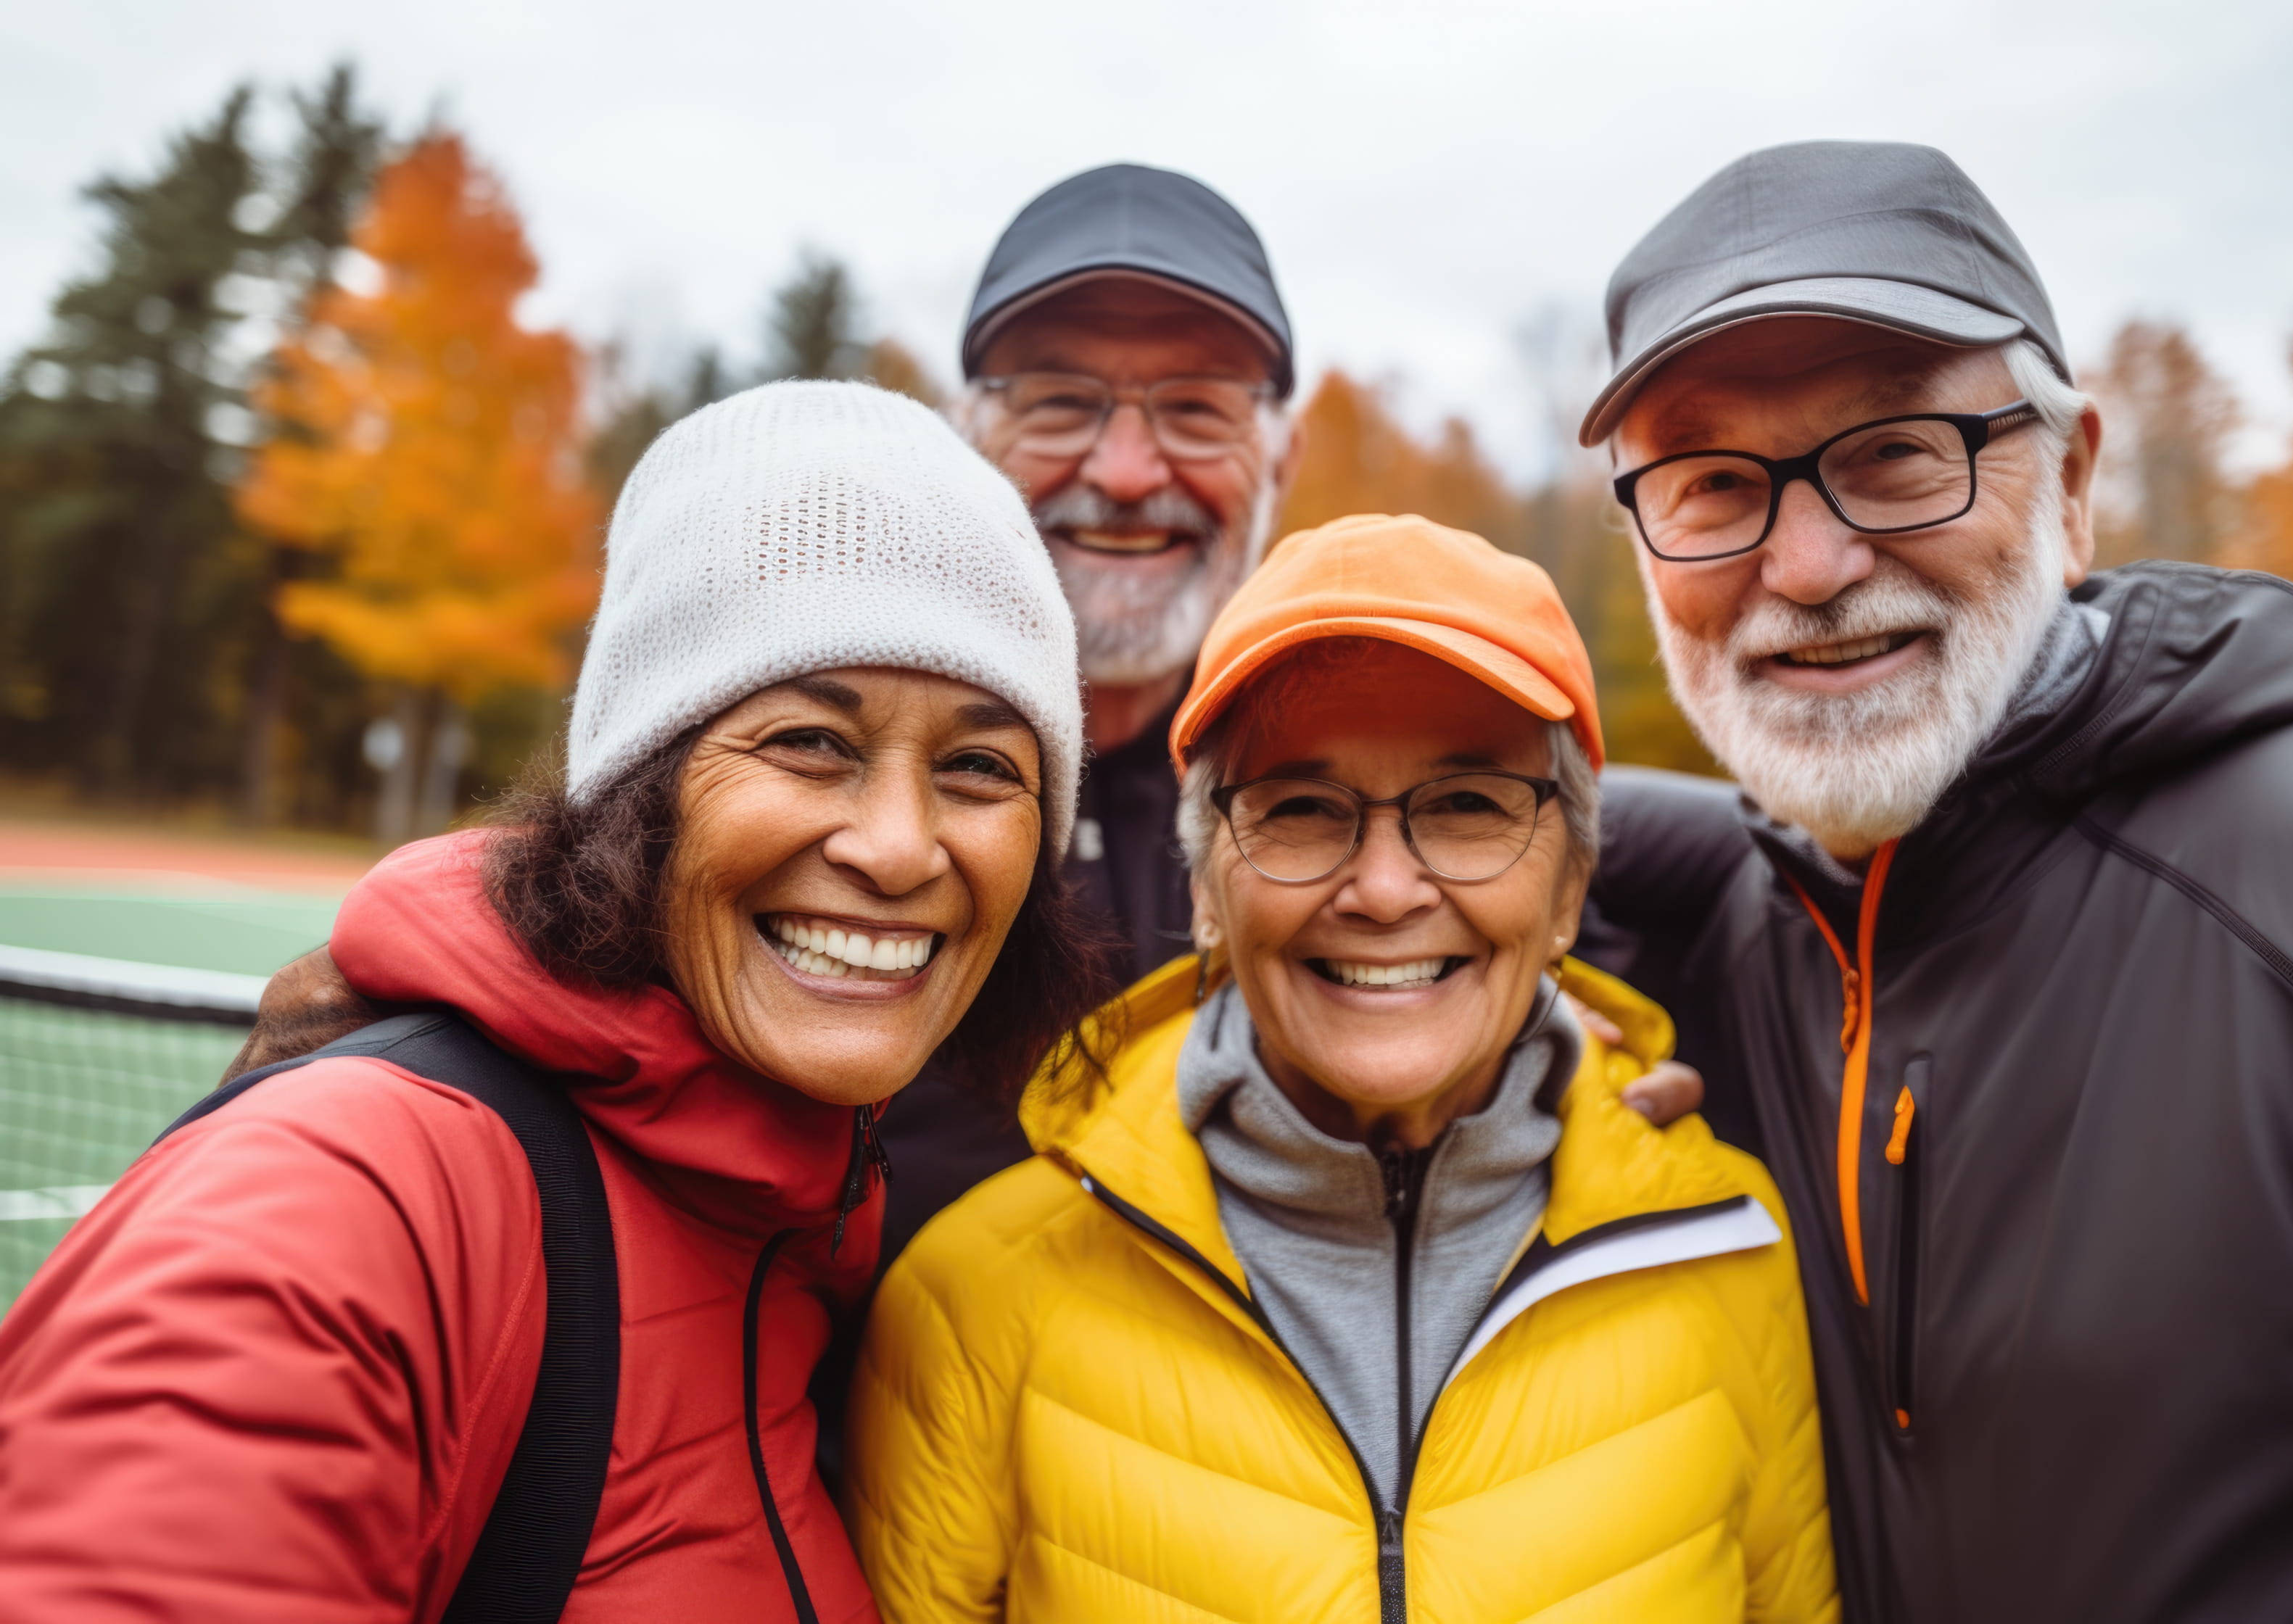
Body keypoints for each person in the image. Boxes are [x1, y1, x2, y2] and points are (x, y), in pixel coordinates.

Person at [226, 162, 1702, 1270]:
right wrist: (363, 1043)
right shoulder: (774, 812)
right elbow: (535, 945)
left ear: (1281, 451)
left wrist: (1517, 1064)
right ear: (970, 425)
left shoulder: (1439, 836)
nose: (1125, 470)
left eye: (1194, 408)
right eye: (1060, 401)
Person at [0, 382, 1112, 1621]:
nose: (902, 849)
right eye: (810, 742)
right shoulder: (350, 1202)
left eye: (979, 767)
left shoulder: (793, 1219)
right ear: (639, 790)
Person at [1578, 141, 2293, 1620]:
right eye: (1715, 483)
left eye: (1898, 453)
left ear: (2077, 479)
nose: (1809, 562)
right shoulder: (1754, 920)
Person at [846, 514, 1838, 1623]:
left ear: (1568, 893)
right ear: (1205, 890)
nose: (1382, 890)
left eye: (1469, 807)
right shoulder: (977, 1292)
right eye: (1301, 810)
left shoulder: (1730, 1250)